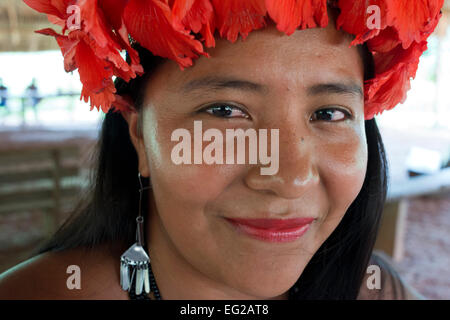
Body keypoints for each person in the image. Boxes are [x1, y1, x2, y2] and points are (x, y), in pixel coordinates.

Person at [0, 0, 442, 300]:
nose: (289, 179)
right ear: (139, 135)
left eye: (328, 114)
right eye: (225, 110)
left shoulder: (376, 288)